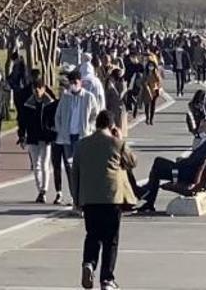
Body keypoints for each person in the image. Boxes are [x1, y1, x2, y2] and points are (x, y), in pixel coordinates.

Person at [72, 111, 137, 290]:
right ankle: (107, 279)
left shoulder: (82, 145)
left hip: (89, 198)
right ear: (111, 126)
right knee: (111, 239)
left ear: (96, 125)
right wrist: (121, 138)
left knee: (92, 235)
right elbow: (132, 162)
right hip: (112, 198)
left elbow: (74, 173)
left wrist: (76, 198)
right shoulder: (117, 144)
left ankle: (89, 263)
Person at [135, 119, 206, 213]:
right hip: (191, 173)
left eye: (201, 127)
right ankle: (149, 198)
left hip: (186, 175)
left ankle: (148, 197)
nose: (199, 130)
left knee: (158, 163)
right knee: (158, 167)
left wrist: (180, 162)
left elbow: (193, 162)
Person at [53, 70, 100, 206]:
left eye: (75, 82)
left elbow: (95, 115)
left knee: (83, 168)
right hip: (67, 137)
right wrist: (60, 130)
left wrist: (90, 128)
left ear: (81, 82)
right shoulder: (65, 98)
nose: (73, 85)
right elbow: (58, 116)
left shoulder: (88, 97)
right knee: (71, 168)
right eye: (71, 82)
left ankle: (85, 196)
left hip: (83, 136)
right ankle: (75, 198)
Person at [18, 79, 56, 204]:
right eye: (35, 88)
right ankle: (40, 190)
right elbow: (22, 121)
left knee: (45, 164)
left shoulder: (50, 104)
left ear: (44, 89)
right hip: (33, 137)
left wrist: (53, 134)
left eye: (39, 88)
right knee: (36, 165)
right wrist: (22, 136)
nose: (37, 91)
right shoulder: (28, 104)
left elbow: (54, 121)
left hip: (46, 138)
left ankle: (44, 190)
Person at [104, 69, 128, 138]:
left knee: (118, 125)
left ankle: (118, 138)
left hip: (119, 107)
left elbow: (120, 95)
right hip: (111, 107)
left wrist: (114, 89)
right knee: (112, 125)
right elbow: (106, 95)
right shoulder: (109, 83)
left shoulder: (121, 83)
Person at [141, 60, 163, 126]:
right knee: (147, 105)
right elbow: (143, 80)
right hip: (147, 90)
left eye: (152, 66)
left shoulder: (156, 72)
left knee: (153, 105)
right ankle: (147, 118)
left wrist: (156, 74)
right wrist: (144, 83)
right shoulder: (146, 72)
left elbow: (159, 81)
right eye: (149, 66)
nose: (151, 67)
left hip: (154, 90)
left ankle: (151, 119)